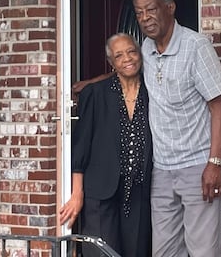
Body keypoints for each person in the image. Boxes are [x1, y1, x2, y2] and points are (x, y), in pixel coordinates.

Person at [132, 0, 221, 257]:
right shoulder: (146, 49)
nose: (145, 18)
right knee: (164, 251)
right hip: (161, 170)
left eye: (151, 9)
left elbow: (219, 106)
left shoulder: (196, 46)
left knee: (203, 251)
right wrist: (86, 85)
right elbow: (125, 72)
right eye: (139, 13)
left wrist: (214, 163)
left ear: (170, 8)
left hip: (198, 166)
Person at [59, 33, 152, 257]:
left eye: (131, 51)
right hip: (100, 193)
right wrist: (77, 194)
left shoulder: (153, 91)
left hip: (140, 192)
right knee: (100, 252)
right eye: (119, 55)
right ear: (111, 63)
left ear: (140, 54)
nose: (127, 59)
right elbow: (81, 147)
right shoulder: (96, 93)